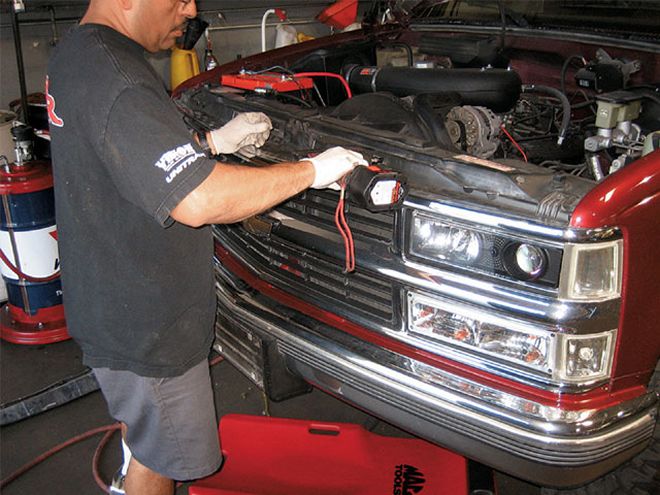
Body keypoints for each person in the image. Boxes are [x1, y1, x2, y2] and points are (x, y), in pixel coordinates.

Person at [45, 1, 367, 494]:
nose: (191, 8)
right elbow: (198, 200)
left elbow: (127, 158)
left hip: (110, 299)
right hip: (148, 328)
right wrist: (313, 171)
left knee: (148, 433)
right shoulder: (118, 75)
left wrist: (210, 143)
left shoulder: (79, 53)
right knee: (163, 457)